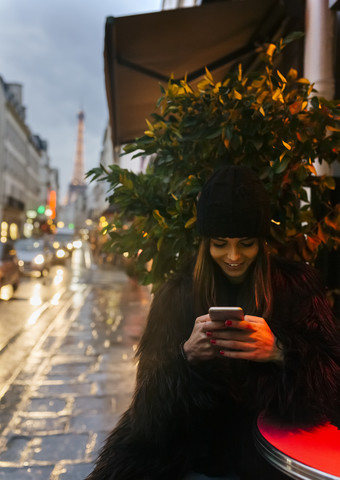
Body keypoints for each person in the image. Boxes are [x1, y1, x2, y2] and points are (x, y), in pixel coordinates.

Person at [86, 165, 340, 480]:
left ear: (261, 243)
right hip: (196, 459)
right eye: (221, 243)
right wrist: (185, 357)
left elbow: (330, 389)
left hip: (276, 459)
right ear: (206, 243)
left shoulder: (296, 287)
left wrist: (280, 350)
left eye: (245, 242)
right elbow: (148, 415)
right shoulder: (177, 294)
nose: (233, 255)